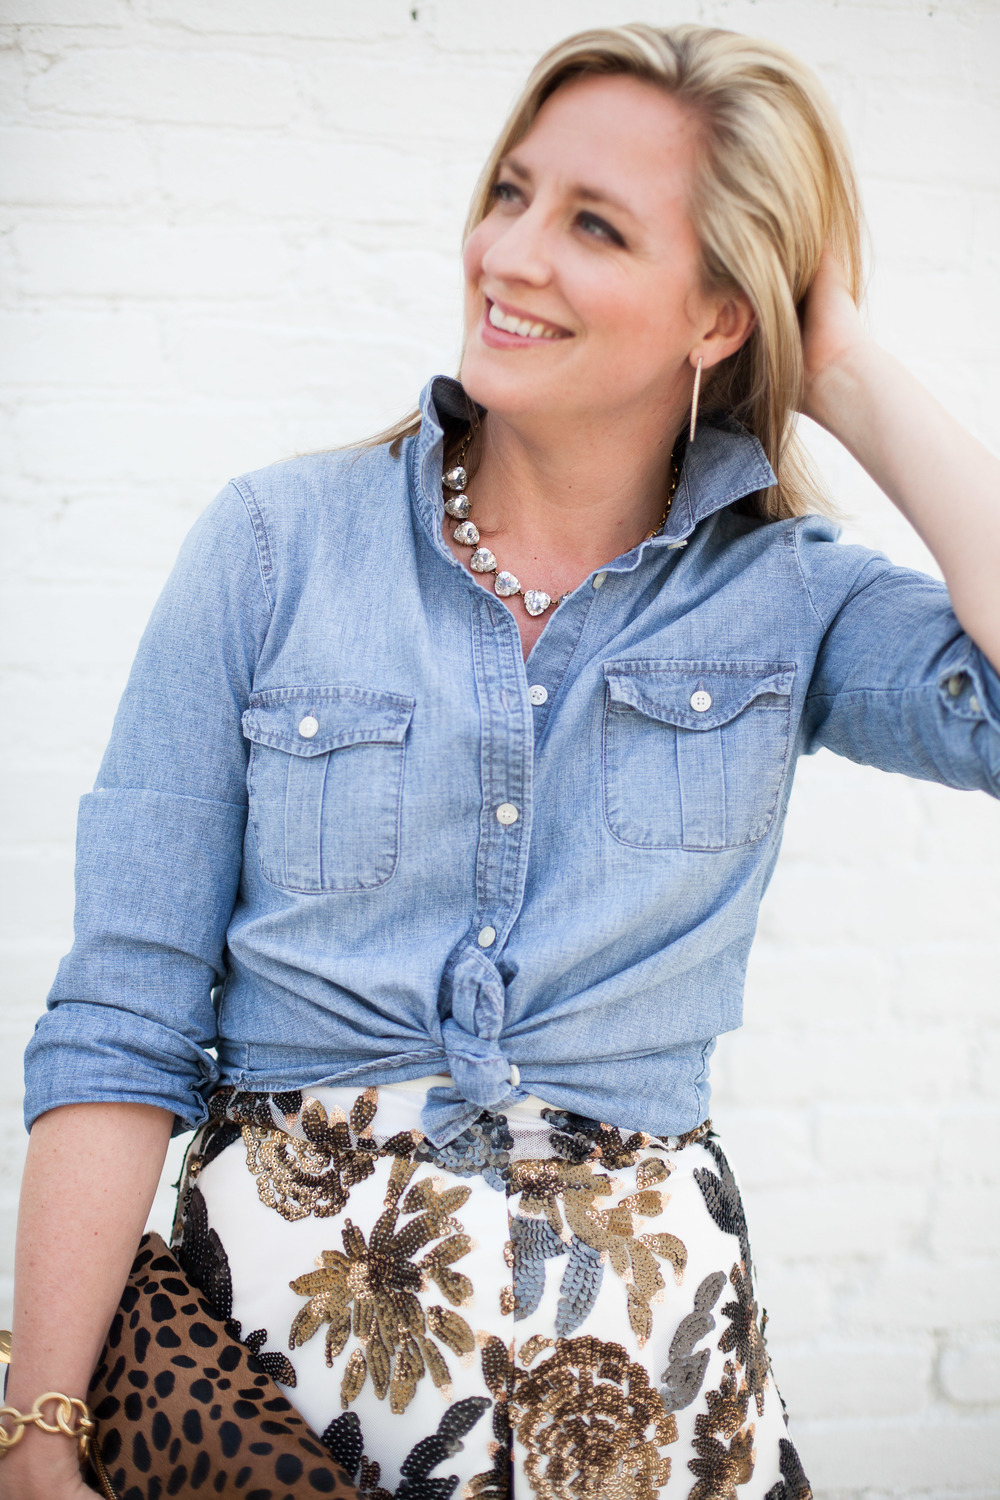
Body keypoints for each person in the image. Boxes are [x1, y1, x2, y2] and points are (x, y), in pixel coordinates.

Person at [3, 20, 998, 1500]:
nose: (511, 253)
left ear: (719, 314)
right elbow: (122, 1011)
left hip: (657, 1407)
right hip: (274, 1410)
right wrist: (39, 1434)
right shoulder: (274, 547)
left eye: (593, 224)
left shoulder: (790, 596)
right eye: (513, 192)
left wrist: (841, 367)